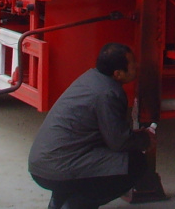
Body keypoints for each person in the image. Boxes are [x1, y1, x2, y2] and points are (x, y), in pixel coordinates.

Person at [28, 43, 155, 209]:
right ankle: (76, 206)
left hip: (42, 165)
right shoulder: (109, 93)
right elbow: (118, 142)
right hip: (56, 169)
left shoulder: (90, 78)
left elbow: (108, 133)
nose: (136, 67)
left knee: (82, 165)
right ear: (118, 74)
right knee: (135, 163)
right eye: (132, 65)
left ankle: (58, 203)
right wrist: (146, 139)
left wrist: (132, 136)